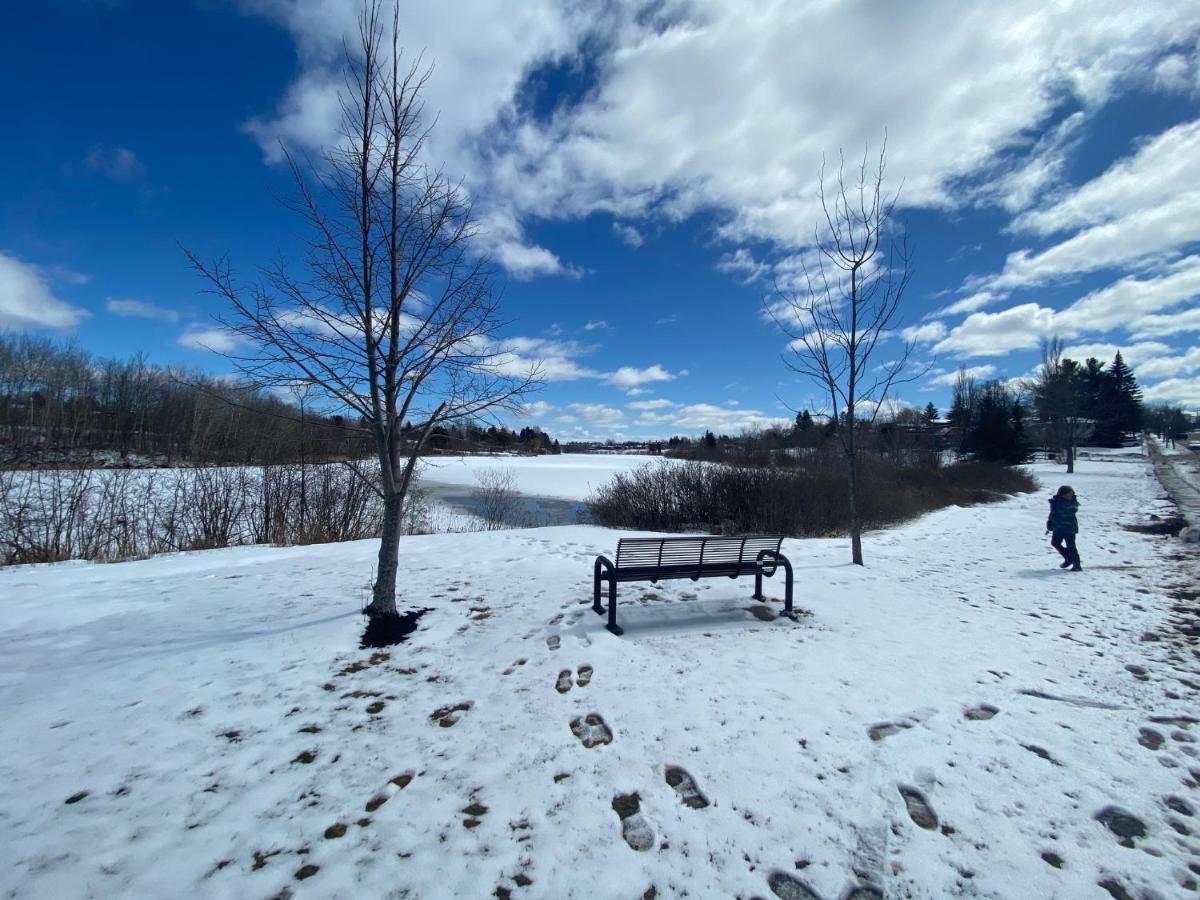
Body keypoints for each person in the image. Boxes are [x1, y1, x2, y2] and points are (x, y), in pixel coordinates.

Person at [1046, 485, 1082, 571]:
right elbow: (1053, 514)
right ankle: (1068, 558)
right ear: (1062, 494)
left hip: (1069, 528)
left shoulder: (1073, 503)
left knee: (1071, 546)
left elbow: (1072, 509)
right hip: (1058, 528)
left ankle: (1077, 564)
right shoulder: (1056, 502)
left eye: (1071, 494)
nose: (1070, 496)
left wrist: (1058, 504)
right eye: (1067, 494)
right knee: (1055, 543)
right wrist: (1049, 523)